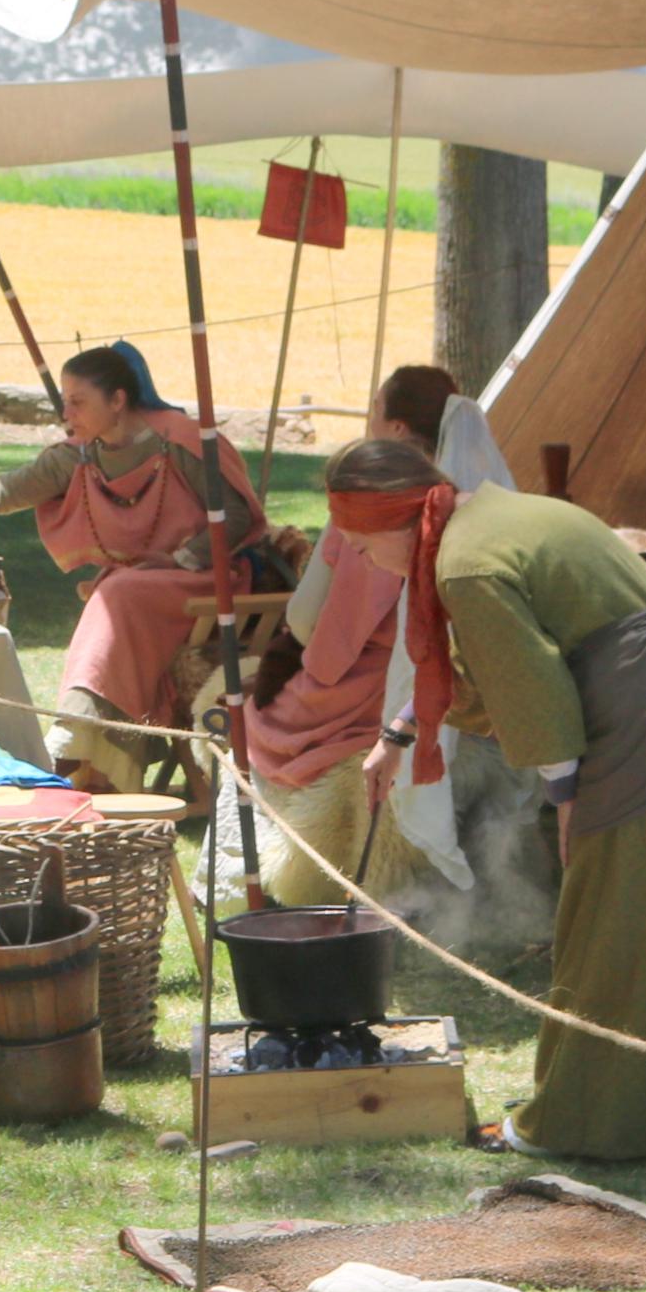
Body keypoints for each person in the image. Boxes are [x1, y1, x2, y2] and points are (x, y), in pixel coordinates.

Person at [325, 433, 646, 1164]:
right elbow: (496, 659)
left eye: (357, 540)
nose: (357, 557)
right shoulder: (495, 516)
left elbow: (532, 690)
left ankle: (584, 1122)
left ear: (398, 516)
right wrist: (398, 734)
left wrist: (568, 801)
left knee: (610, 921)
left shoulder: (465, 563)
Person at [0, 344, 269, 792]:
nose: (66, 412)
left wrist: (180, 559)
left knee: (116, 596)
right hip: (139, 589)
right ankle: (85, 748)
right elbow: (6, 491)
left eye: (78, 401)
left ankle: (72, 742)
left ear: (117, 400)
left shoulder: (181, 442)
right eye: (65, 400)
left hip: (205, 583)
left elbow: (235, 518)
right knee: (117, 593)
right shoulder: (81, 454)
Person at [226, 365, 502, 906]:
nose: (360, 552)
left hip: (365, 699)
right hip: (435, 694)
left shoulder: (377, 509)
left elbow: (309, 626)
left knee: (256, 711)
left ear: (397, 430)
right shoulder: (474, 499)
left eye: (375, 407)